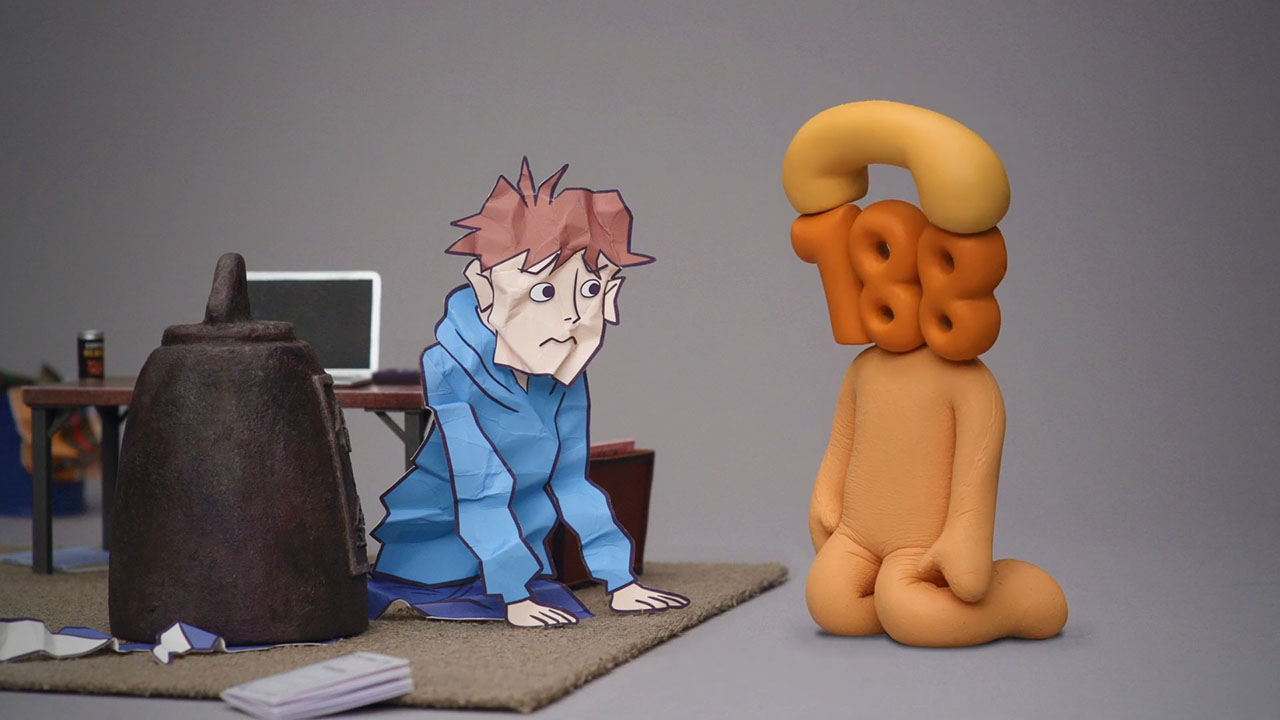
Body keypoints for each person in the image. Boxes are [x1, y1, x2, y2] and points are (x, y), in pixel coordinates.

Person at [369, 159, 689, 627]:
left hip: (519, 551)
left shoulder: (559, 371)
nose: (572, 316)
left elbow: (572, 481)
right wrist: (514, 595)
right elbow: (480, 486)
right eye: (543, 292)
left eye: (590, 289)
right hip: (435, 556)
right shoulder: (450, 368)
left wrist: (621, 581)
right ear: (485, 289)